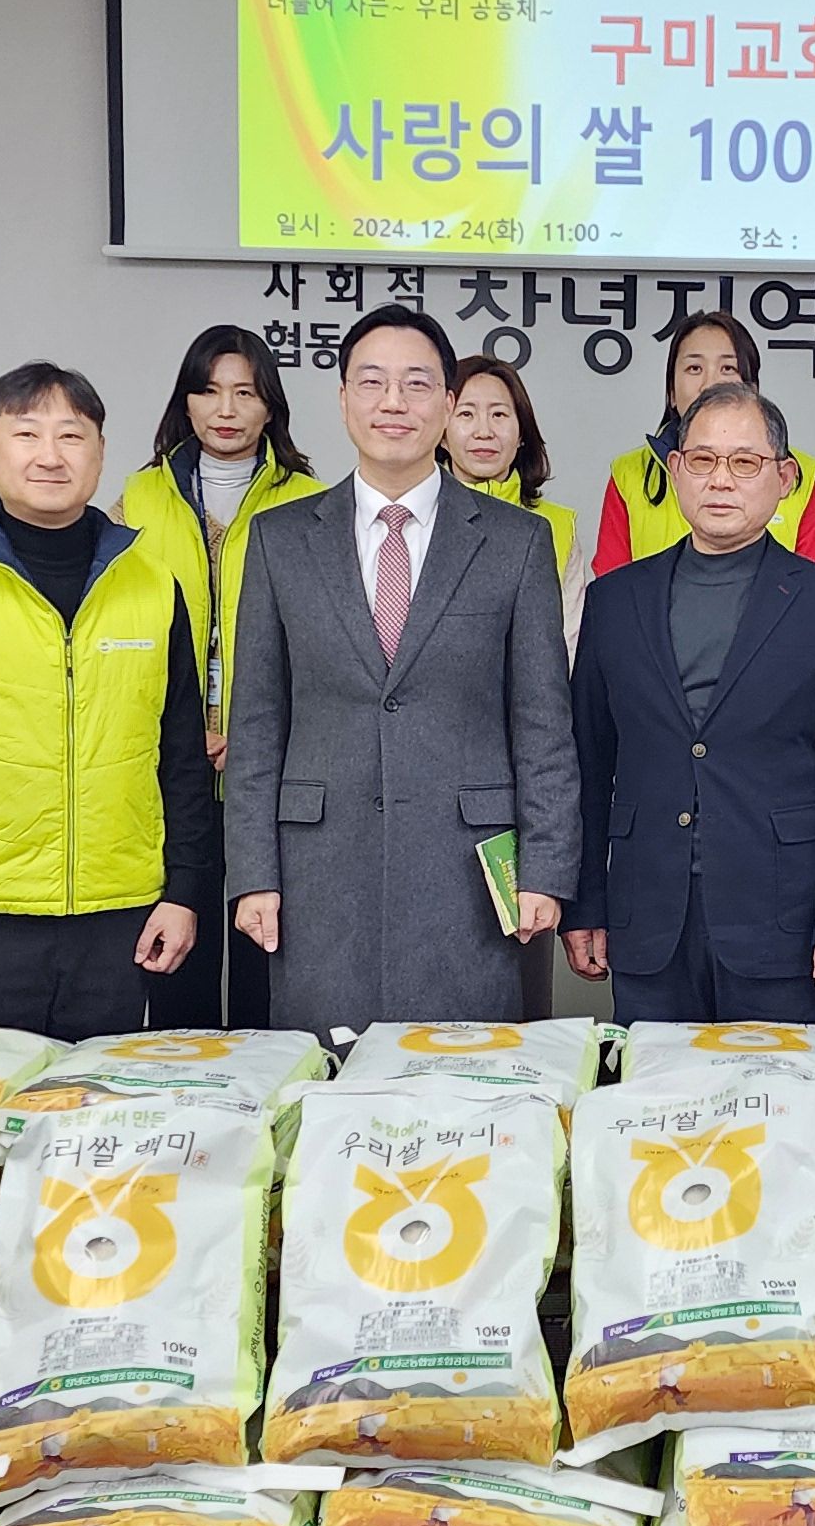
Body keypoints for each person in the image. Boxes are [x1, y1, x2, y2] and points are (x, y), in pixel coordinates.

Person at [224, 304, 578, 1036]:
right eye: (372, 382)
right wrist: (253, 874)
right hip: (319, 870)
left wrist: (546, 870)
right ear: (343, 399)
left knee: (461, 1075)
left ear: (446, 405)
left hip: (468, 876)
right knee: (325, 1076)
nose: (393, 402)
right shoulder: (279, 540)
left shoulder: (516, 541)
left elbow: (542, 723)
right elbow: (256, 723)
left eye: (416, 384)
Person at [0, 364, 218, 1037]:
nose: (50, 456)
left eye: (71, 435)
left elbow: (181, 758)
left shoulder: (152, 585)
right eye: (26, 434)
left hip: (118, 915)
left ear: (100, 451)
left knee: (95, 1098)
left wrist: (183, 894)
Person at [566, 379, 815, 1022]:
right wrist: (585, 904)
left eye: (745, 462)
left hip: (784, 920)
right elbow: (587, 768)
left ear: (785, 479)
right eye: (703, 460)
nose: (721, 480)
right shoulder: (615, 601)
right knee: (651, 1085)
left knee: (777, 1085)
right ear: (675, 469)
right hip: (646, 914)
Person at [119, 326, 325, 1026]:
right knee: (180, 977)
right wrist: (185, 733)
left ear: (271, 405)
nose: (226, 409)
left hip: (277, 776)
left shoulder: (314, 502)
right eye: (208, 391)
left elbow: (332, 646)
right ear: (185, 401)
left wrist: (259, 736)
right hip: (170, 773)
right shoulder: (138, 499)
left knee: (275, 980)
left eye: (245, 392)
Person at [586, 308, 815, 573]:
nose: (710, 383)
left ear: (752, 390)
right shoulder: (629, 474)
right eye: (694, 368)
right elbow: (613, 585)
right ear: (671, 392)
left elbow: (814, 587)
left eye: (728, 368)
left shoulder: (798, 475)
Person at [445, 355, 578, 639]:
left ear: (521, 434)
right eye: (466, 414)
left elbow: (568, 641)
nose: (484, 432)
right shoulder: (415, 515)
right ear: (441, 434)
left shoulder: (558, 525)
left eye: (499, 415)